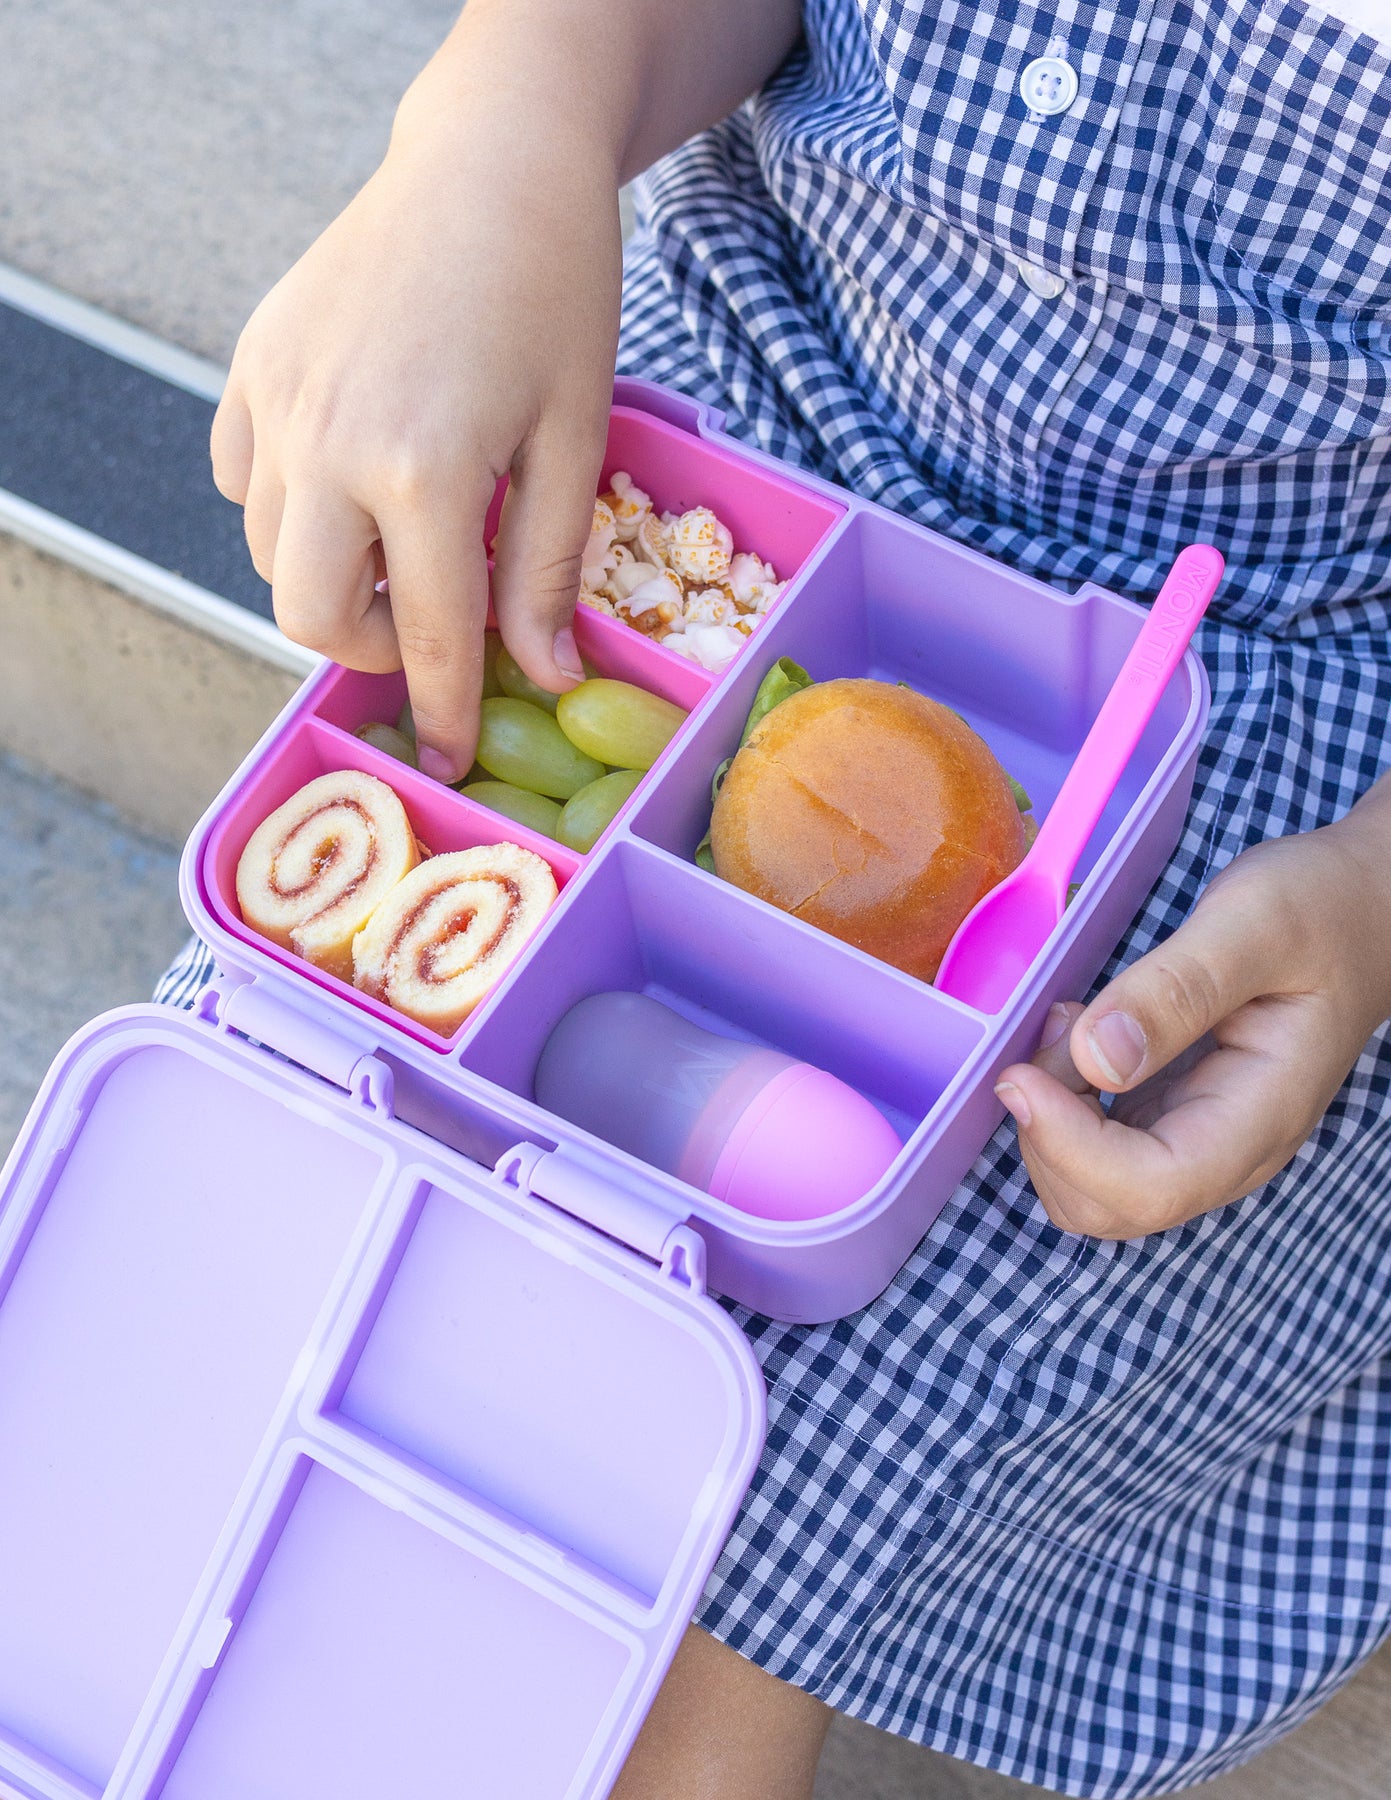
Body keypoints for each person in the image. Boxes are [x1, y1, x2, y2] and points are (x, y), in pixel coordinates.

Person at [160, 1, 1391, 1793]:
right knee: (244, 1268)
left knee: (704, 1544)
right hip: (740, 429)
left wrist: (1372, 899)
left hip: (1272, 710)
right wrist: (507, 123)